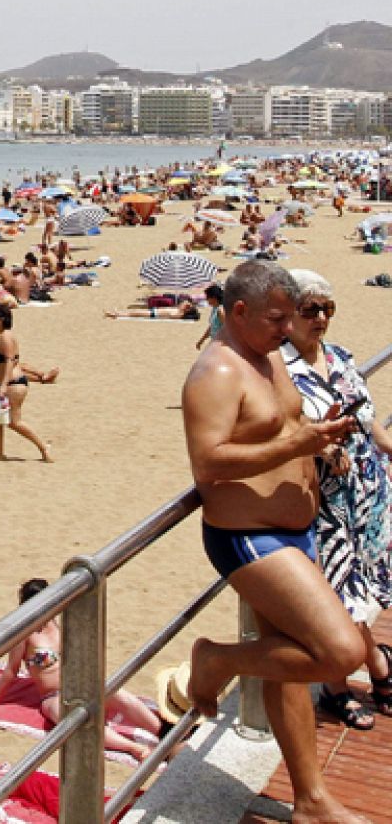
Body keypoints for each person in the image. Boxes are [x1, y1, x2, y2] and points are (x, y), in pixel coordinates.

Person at [182, 260, 366, 824]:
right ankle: (215, 659)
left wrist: (318, 436)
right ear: (239, 312)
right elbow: (208, 463)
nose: (287, 329)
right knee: (341, 652)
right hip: (249, 536)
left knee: (293, 667)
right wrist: (292, 448)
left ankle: (311, 801)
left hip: (293, 527)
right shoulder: (216, 372)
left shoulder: (264, 358)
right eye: (276, 319)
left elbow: (283, 429)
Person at [279, 270, 392, 728]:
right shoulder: (278, 371)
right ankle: (341, 684)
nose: (321, 318)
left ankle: (372, 666)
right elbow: (278, 430)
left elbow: (369, 421)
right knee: (340, 592)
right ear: (288, 315)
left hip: (367, 493)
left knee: (362, 586)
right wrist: (319, 445)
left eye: (327, 309)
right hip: (323, 499)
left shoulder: (339, 358)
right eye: (310, 309)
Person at [0, 578, 165, 762]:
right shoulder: (23, 633)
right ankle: (133, 748)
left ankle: (163, 732)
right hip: (53, 696)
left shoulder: (56, 623)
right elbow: (11, 670)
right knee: (73, 719)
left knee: (119, 694)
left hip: (79, 683)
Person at [0, 306, 52, 462]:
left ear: (2, 320)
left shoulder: (6, 337)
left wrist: (3, 385)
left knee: (14, 422)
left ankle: (43, 447)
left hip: (11, 384)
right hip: (1, 384)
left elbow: (9, 361)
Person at [196, 284, 226, 350]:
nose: (206, 300)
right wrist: (201, 341)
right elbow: (211, 327)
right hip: (214, 342)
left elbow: (227, 330)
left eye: (207, 297)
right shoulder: (214, 309)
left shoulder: (220, 311)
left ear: (214, 298)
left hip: (220, 344)